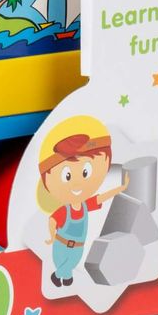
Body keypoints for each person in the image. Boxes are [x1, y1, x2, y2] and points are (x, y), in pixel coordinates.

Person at [36, 115, 128, 287]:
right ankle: (60, 275)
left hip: (78, 247)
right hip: (61, 245)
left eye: (86, 172)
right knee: (63, 265)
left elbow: (101, 197)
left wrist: (120, 188)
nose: (77, 183)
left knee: (71, 264)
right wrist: (52, 235)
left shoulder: (85, 205)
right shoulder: (65, 210)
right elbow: (53, 219)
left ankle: (62, 276)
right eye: (68, 176)